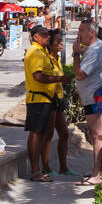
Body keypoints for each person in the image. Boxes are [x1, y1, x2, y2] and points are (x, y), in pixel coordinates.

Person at [72, 18, 102, 185]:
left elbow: (80, 74)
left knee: (98, 136)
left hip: (97, 100)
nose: (78, 34)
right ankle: (100, 170)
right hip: (96, 98)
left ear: (91, 33)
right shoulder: (97, 48)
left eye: (81, 30)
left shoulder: (96, 50)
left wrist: (76, 53)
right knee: (98, 136)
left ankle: (96, 175)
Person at [23, 21, 63, 183]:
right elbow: (38, 76)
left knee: (42, 134)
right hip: (37, 99)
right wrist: (61, 79)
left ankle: (40, 169)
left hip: (46, 99)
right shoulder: (35, 52)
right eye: (45, 35)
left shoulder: (42, 52)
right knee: (36, 134)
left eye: (48, 34)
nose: (48, 37)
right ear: (36, 37)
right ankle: (35, 170)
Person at [44, 26, 74, 177]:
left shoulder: (57, 59)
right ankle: (46, 168)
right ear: (50, 43)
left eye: (62, 41)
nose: (61, 44)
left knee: (64, 134)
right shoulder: (46, 58)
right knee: (48, 135)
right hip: (49, 101)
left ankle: (63, 167)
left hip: (58, 101)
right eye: (58, 41)